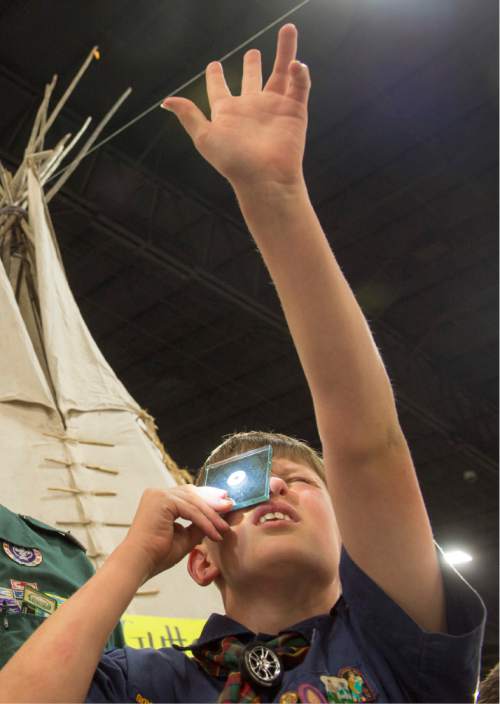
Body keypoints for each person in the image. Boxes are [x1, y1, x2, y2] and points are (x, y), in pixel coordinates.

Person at [0, 23, 486, 703]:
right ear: (200, 557)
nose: (278, 489)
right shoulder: (147, 681)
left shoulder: (395, 649)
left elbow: (367, 443)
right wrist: (135, 558)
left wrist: (274, 195)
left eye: (299, 481)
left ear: (352, 536)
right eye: (245, 488)